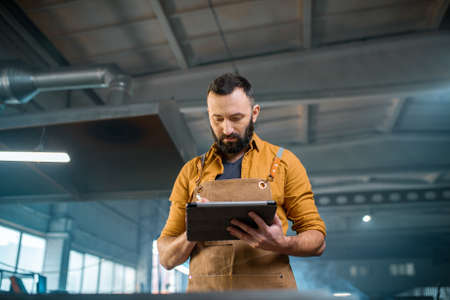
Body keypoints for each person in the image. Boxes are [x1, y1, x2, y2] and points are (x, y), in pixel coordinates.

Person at [157, 73, 326, 292]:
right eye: (217, 119)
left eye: (236, 118)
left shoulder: (284, 163)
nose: (226, 129)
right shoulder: (190, 172)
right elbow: (166, 258)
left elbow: (317, 240)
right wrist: (193, 232)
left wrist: (282, 244)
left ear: (254, 114)